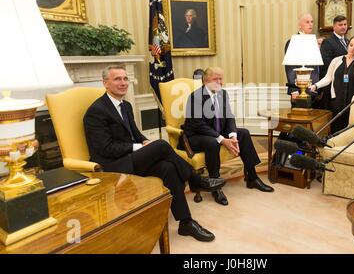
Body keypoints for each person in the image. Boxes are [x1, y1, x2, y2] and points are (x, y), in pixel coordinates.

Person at [84, 65, 226, 242]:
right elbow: (104, 149)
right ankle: (195, 179)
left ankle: (186, 223)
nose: (123, 83)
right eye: (117, 79)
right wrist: (138, 147)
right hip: (112, 165)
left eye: (125, 78)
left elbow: (135, 134)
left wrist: (144, 141)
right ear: (105, 83)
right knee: (160, 145)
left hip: (130, 159)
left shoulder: (126, 106)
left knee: (168, 167)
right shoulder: (96, 111)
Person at [180, 67, 274, 206]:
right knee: (212, 142)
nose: (219, 82)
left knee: (244, 133)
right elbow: (199, 125)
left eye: (221, 79)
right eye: (215, 79)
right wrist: (222, 140)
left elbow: (229, 117)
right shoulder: (195, 97)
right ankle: (215, 185)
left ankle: (252, 178)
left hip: (215, 131)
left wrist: (232, 135)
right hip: (196, 136)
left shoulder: (222, 94)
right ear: (205, 81)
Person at [309, 35, 354, 133]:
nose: (352, 49)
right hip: (336, 102)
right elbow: (327, 78)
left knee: (350, 130)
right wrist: (316, 85)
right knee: (335, 128)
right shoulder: (336, 61)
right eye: (351, 45)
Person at [284, 13, 322, 104]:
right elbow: (290, 68)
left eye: (312, 22)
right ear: (299, 25)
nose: (310, 24)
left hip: (315, 90)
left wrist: (318, 87)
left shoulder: (313, 41)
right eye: (307, 22)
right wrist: (294, 90)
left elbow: (317, 67)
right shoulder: (292, 41)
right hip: (299, 91)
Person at [317, 15, 350, 110]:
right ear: (334, 26)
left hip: (346, 81)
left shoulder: (348, 41)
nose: (343, 27)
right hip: (332, 83)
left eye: (345, 24)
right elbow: (326, 62)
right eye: (340, 25)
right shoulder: (328, 42)